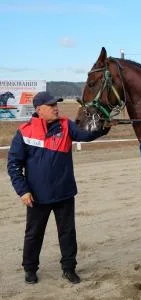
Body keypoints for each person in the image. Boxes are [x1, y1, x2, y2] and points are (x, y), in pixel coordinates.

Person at [7, 91, 110, 284]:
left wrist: (102, 128)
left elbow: (85, 135)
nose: (56, 108)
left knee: (68, 233)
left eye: (57, 104)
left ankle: (69, 268)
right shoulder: (24, 131)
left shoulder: (66, 125)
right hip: (36, 197)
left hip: (64, 192)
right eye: (51, 105)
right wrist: (23, 191)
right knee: (33, 234)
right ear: (39, 110)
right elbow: (13, 165)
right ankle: (30, 269)